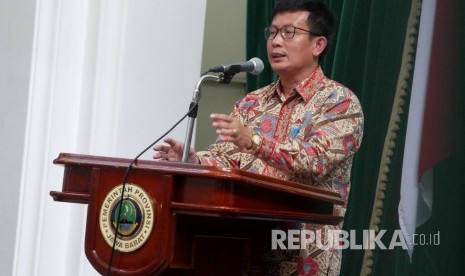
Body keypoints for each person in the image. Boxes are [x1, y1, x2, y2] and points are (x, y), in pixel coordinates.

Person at [153, 0, 364, 275]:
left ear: (318, 45)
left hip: (304, 259)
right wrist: (195, 158)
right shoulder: (253, 103)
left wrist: (253, 140)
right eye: (272, 32)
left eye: (289, 32)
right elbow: (227, 158)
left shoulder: (340, 103)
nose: (276, 42)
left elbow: (313, 162)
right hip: (242, 252)